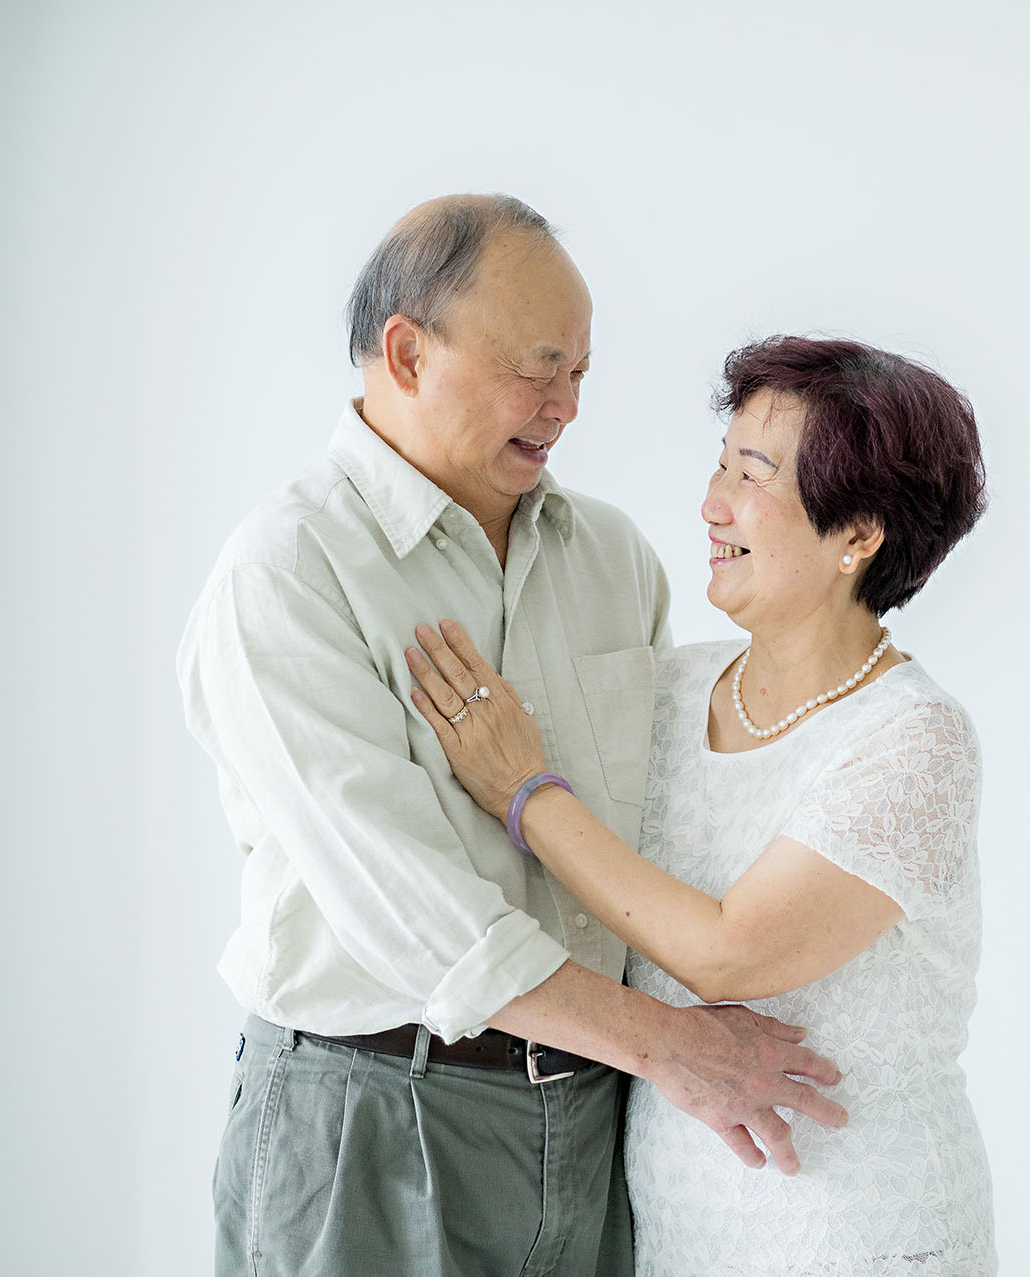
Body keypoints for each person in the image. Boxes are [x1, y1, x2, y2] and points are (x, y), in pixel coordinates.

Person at [176, 196, 848, 1277]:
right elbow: (411, 909)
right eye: (538, 368)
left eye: (582, 371)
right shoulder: (290, 568)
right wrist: (675, 1047)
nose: (566, 405)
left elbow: (656, 837)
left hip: (594, 1119)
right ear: (406, 350)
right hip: (375, 1120)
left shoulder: (613, 559)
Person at [405, 334, 999, 1274]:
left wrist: (527, 793)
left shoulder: (913, 737)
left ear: (859, 534)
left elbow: (731, 950)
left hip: (862, 1230)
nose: (712, 505)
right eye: (720, 465)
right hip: (675, 1227)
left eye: (753, 476)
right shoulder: (674, 689)